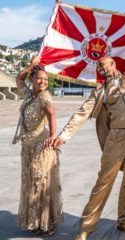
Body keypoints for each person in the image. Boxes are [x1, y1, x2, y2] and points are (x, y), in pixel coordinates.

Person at [52, 20, 125, 240]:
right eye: (99, 67)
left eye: (105, 64)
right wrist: (63, 135)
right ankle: (85, 228)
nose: (103, 69)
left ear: (113, 64)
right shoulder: (100, 92)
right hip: (117, 137)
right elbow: (81, 113)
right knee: (104, 181)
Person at [14, 56, 63, 236]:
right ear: (32, 80)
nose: (43, 81)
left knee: (41, 185)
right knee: (30, 184)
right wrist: (32, 65)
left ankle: (47, 222)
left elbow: (52, 114)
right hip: (27, 147)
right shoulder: (28, 94)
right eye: (39, 78)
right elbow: (19, 78)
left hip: (40, 146)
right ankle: (34, 221)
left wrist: (52, 135)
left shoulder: (44, 96)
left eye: (45, 79)